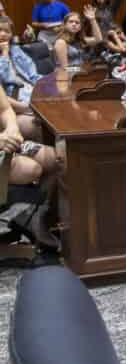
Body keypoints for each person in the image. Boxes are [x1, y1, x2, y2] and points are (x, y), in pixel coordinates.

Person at [0, 83, 59, 246]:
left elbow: (5, 109)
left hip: (5, 142)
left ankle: (36, 217)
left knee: (57, 158)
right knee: (31, 169)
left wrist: (11, 128)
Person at [0, 16, 43, 140]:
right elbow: (8, 79)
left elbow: (33, 74)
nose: (3, 34)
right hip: (15, 96)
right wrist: (4, 55)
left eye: (7, 31)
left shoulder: (16, 49)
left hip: (31, 90)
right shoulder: (6, 52)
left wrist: (45, 85)